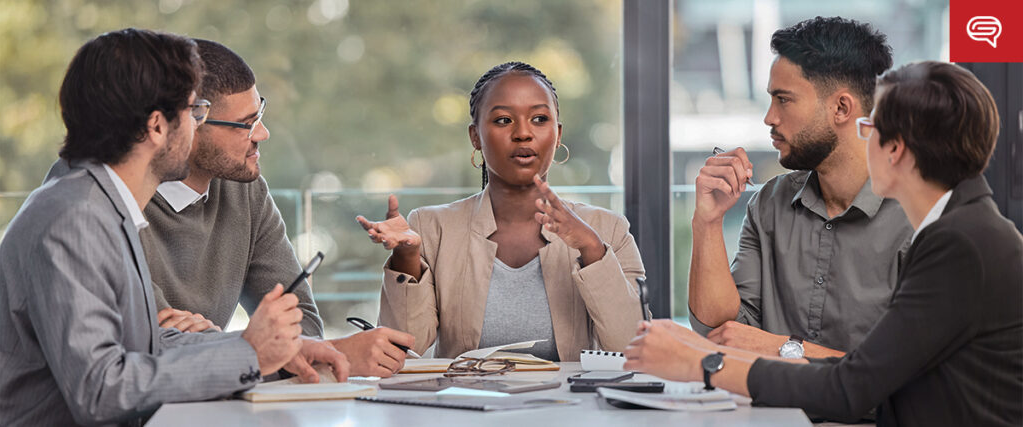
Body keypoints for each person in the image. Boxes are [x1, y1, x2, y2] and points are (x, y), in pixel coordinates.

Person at [624, 61, 1023, 427]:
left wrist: (702, 362)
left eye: (869, 131)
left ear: (896, 149)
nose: (861, 145)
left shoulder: (960, 244)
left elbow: (851, 387)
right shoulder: (965, 228)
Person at [0, 29, 348, 426]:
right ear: (157, 127)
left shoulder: (103, 205)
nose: (195, 127)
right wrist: (248, 354)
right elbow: (100, 389)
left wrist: (274, 350)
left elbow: (146, 348)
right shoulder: (73, 219)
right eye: (193, 112)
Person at [135, 39, 414, 377]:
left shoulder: (246, 190)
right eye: (246, 123)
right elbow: (150, 347)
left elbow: (305, 326)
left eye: (260, 115)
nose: (263, 134)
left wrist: (217, 344)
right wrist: (326, 352)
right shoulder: (118, 201)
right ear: (190, 124)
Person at [356, 62, 645, 360]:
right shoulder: (430, 226)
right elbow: (403, 353)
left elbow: (634, 351)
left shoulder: (608, 229)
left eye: (539, 118)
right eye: (504, 120)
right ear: (475, 137)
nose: (523, 133)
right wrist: (406, 258)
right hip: (464, 403)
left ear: (558, 135)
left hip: (571, 405)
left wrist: (591, 248)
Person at [688, 16, 912, 359]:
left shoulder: (918, 218)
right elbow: (721, 332)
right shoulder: (769, 204)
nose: (769, 117)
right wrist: (707, 221)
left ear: (841, 108)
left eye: (783, 99)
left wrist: (786, 349)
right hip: (767, 411)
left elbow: (914, 378)